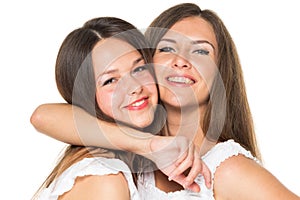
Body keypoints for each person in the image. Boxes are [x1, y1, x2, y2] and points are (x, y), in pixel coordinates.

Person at [31, 3, 300, 200]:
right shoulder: (116, 165)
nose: (181, 60)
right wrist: (150, 145)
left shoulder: (225, 169)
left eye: (200, 51)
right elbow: (42, 117)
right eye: (168, 48)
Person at [32, 16, 209, 200]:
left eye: (139, 69)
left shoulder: (136, 164)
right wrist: (148, 144)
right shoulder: (105, 178)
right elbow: (41, 117)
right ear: (86, 98)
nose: (134, 87)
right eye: (110, 80)